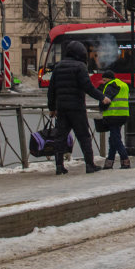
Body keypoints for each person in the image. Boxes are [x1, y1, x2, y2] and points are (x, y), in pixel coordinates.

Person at [46, 41, 108, 174]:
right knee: (84, 136)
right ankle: (90, 164)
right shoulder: (80, 66)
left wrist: (52, 107)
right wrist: (102, 97)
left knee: (60, 137)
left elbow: (51, 89)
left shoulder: (58, 67)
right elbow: (88, 87)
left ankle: (59, 166)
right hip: (77, 108)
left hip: (62, 108)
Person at [98, 70, 132, 170]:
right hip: (123, 114)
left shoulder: (111, 86)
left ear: (108, 78)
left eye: (104, 80)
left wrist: (101, 109)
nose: (103, 82)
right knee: (113, 138)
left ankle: (125, 160)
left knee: (116, 139)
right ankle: (109, 161)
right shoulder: (123, 85)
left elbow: (106, 100)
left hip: (113, 115)